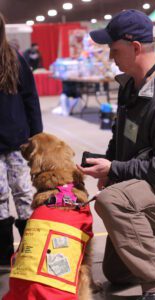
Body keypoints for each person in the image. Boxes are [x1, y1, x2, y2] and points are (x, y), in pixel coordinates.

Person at [78, 9, 155, 300]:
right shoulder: (130, 86)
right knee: (117, 274)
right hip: (148, 183)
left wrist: (117, 170)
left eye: (114, 49)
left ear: (134, 48)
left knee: (111, 203)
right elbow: (119, 136)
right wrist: (106, 167)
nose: (110, 57)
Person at [0, 13, 43, 270]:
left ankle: (31, 250)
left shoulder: (14, 58)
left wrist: (36, 135)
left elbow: (31, 98)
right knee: (0, 197)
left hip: (18, 143)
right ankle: (4, 254)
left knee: (25, 195)